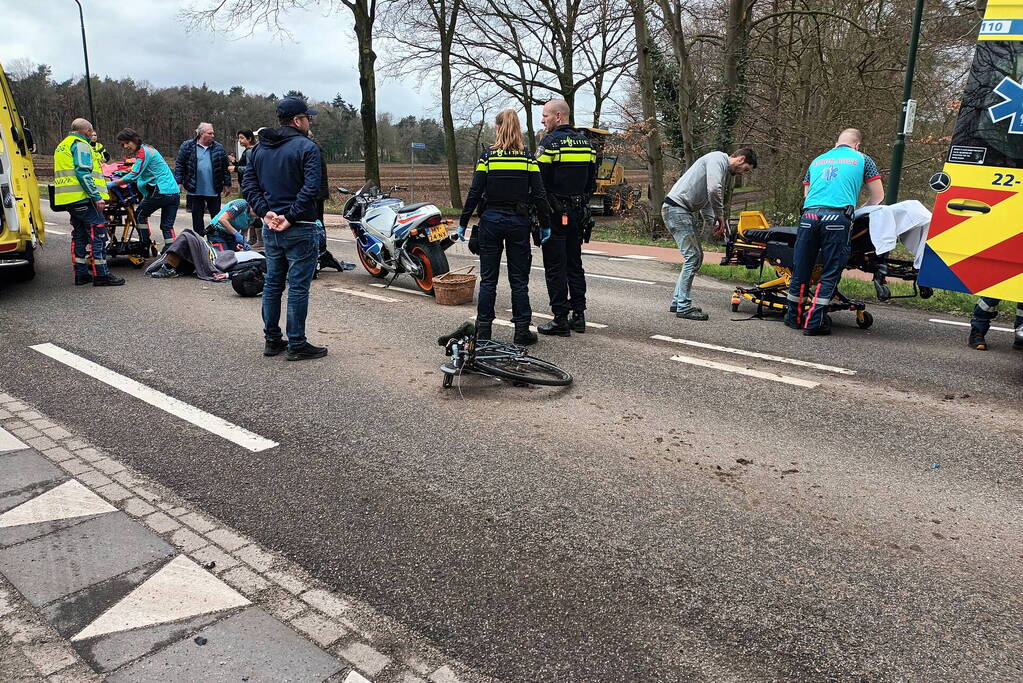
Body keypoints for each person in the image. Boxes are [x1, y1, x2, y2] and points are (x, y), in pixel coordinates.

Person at [241, 96, 327, 361]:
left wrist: (266, 212)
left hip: (271, 227)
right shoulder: (307, 147)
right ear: (297, 120)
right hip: (299, 226)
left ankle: (272, 339)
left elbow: (248, 184)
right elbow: (312, 188)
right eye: (308, 118)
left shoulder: (258, 150)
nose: (309, 122)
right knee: (298, 287)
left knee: (273, 284)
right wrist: (289, 216)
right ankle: (297, 343)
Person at [459, 109, 552, 345]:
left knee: (489, 279)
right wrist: (545, 225)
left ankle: (484, 332)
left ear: (498, 127)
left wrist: (463, 221)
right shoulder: (528, 157)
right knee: (518, 280)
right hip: (518, 222)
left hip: (491, 221)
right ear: (518, 127)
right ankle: (521, 331)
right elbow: (540, 194)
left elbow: (475, 191)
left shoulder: (487, 157)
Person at [785, 128, 884, 335]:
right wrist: (854, 213)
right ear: (857, 145)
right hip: (837, 219)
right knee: (830, 271)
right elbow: (878, 197)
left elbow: (807, 194)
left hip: (809, 217)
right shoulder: (863, 159)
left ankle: (793, 317)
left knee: (802, 268)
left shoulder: (817, 160)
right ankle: (814, 323)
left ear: (836, 143)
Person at [663, 148, 758, 320]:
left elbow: (707, 200)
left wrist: (713, 222)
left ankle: (678, 302)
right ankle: (683, 306)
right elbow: (714, 190)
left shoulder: (717, 166)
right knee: (693, 257)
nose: (744, 174)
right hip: (676, 210)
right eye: (746, 169)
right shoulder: (717, 159)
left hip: (678, 210)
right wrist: (720, 215)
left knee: (695, 257)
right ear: (740, 159)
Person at [534, 99, 597, 337]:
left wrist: (541, 213)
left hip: (555, 213)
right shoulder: (587, 143)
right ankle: (579, 315)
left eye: (545, 116)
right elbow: (591, 181)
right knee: (574, 264)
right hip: (579, 213)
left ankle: (560, 318)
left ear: (559, 116)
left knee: (554, 266)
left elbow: (538, 181)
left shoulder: (549, 144)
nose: (543, 120)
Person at [51, 118, 124, 287]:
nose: (92, 135)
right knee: (98, 233)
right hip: (84, 198)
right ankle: (101, 275)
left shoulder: (62, 145)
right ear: (87, 131)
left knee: (79, 235)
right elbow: (83, 173)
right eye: (91, 132)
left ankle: (81, 274)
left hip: (69, 199)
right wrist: (97, 197)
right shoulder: (81, 144)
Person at [112, 128, 180, 252]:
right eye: (123, 144)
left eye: (127, 142)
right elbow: (143, 170)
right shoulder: (149, 150)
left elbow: (133, 175)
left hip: (162, 191)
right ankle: (172, 251)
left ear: (135, 139)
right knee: (166, 225)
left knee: (140, 214)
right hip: (174, 192)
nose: (125, 146)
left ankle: (144, 243)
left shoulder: (143, 152)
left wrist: (113, 184)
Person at [175, 122, 232, 235]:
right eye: (210, 133)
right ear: (201, 134)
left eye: (213, 133)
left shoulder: (218, 148)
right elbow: (180, 164)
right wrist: (179, 182)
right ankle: (199, 241)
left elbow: (225, 168)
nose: (213, 135)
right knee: (197, 219)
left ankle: (216, 241)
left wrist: (227, 184)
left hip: (214, 190)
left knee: (216, 219)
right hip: (195, 190)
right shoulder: (187, 146)